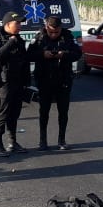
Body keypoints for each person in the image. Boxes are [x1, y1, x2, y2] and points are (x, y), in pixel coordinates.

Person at [26, 15, 82, 150]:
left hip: (63, 79)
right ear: (46, 27)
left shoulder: (68, 36)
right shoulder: (39, 37)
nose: (53, 35)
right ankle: (42, 141)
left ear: (61, 28)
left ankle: (61, 140)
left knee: (63, 111)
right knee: (44, 111)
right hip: (45, 79)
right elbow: (28, 55)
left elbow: (78, 54)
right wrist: (42, 54)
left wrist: (64, 54)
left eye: (56, 32)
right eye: (51, 32)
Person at [0, 11, 31, 157]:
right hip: (4, 83)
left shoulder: (19, 39)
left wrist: (27, 81)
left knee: (14, 113)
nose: (20, 26)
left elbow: (24, 61)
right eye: (17, 23)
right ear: (7, 24)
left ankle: (12, 142)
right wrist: (10, 42)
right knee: (2, 113)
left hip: (18, 82)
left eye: (20, 23)